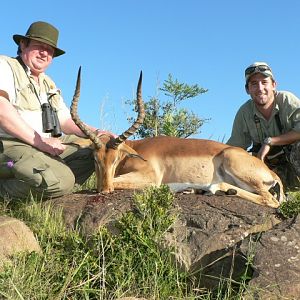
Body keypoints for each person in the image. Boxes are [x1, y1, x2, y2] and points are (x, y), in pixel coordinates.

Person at [0, 21, 115, 199]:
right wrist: (39, 141)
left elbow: (64, 121)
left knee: (94, 151)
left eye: (50, 49)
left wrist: (98, 132)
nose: (44, 53)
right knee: (63, 181)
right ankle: (6, 191)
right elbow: (2, 109)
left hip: (40, 145)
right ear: (23, 44)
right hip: (9, 145)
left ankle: (47, 185)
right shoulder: (5, 65)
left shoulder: (48, 83)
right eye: (39, 45)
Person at [227, 61, 300, 191]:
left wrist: (270, 141)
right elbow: (232, 149)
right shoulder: (244, 112)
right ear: (247, 89)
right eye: (254, 84)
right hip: (267, 169)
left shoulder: (286, 100)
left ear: (274, 85)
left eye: (264, 82)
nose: (260, 88)